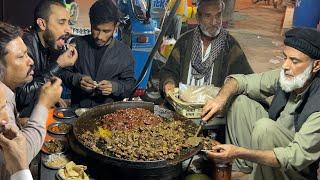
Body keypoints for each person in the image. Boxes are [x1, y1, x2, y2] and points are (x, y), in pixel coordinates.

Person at [202, 28, 320, 180]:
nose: (285, 66)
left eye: (294, 61)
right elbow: (241, 81)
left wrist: (238, 151)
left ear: (316, 66)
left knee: (265, 128)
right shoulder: (289, 75)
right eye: (285, 58)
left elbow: (293, 157)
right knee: (240, 101)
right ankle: (242, 171)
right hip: (270, 145)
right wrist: (220, 99)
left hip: (294, 170)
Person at [0, 22, 62, 179]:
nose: (31, 61)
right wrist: (43, 104)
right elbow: (19, 158)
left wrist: (19, 122)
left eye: (27, 54)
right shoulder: (2, 104)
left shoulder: (7, 94)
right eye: (21, 56)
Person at [159, 0, 252, 96]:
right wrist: (169, 83)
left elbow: (246, 80)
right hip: (182, 107)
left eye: (218, 15)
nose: (214, 22)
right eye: (208, 16)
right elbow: (169, 71)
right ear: (198, 18)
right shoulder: (184, 42)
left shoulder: (230, 46)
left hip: (216, 109)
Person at [65, 0, 136, 108]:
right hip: (79, 111)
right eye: (96, 29)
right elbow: (64, 74)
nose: (99, 36)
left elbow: (130, 85)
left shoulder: (124, 52)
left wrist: (115, 87)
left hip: (109, 115)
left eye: (106, 31)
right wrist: (78, 80)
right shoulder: (78, 45)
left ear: (115, 26)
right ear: (91, 23)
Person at [15, 0, 78, 117]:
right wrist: (58, 65)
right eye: (61, 22)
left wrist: (51, 98)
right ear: (42, 24)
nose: (69, 29)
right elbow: (21, 96)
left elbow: (38, 80)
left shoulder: (48, 43)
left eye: (68, 23)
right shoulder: (23, 46)